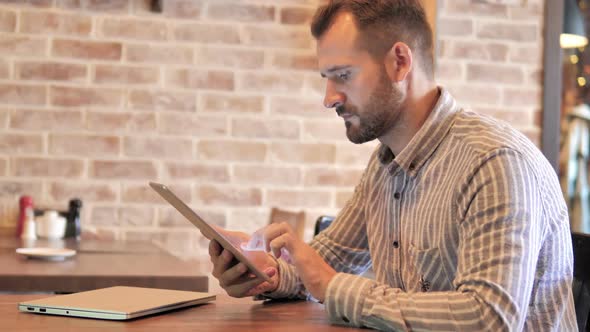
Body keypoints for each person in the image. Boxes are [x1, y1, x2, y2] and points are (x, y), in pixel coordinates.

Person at [207, 0, 577, 330]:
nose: (328, 98)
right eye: (328, 78)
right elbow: (328, 262)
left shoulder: (494, 162)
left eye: (344, 75)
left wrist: (335, 286)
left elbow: (490, 318)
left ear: (399, 62)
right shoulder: (386, 165)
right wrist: (265, 273)